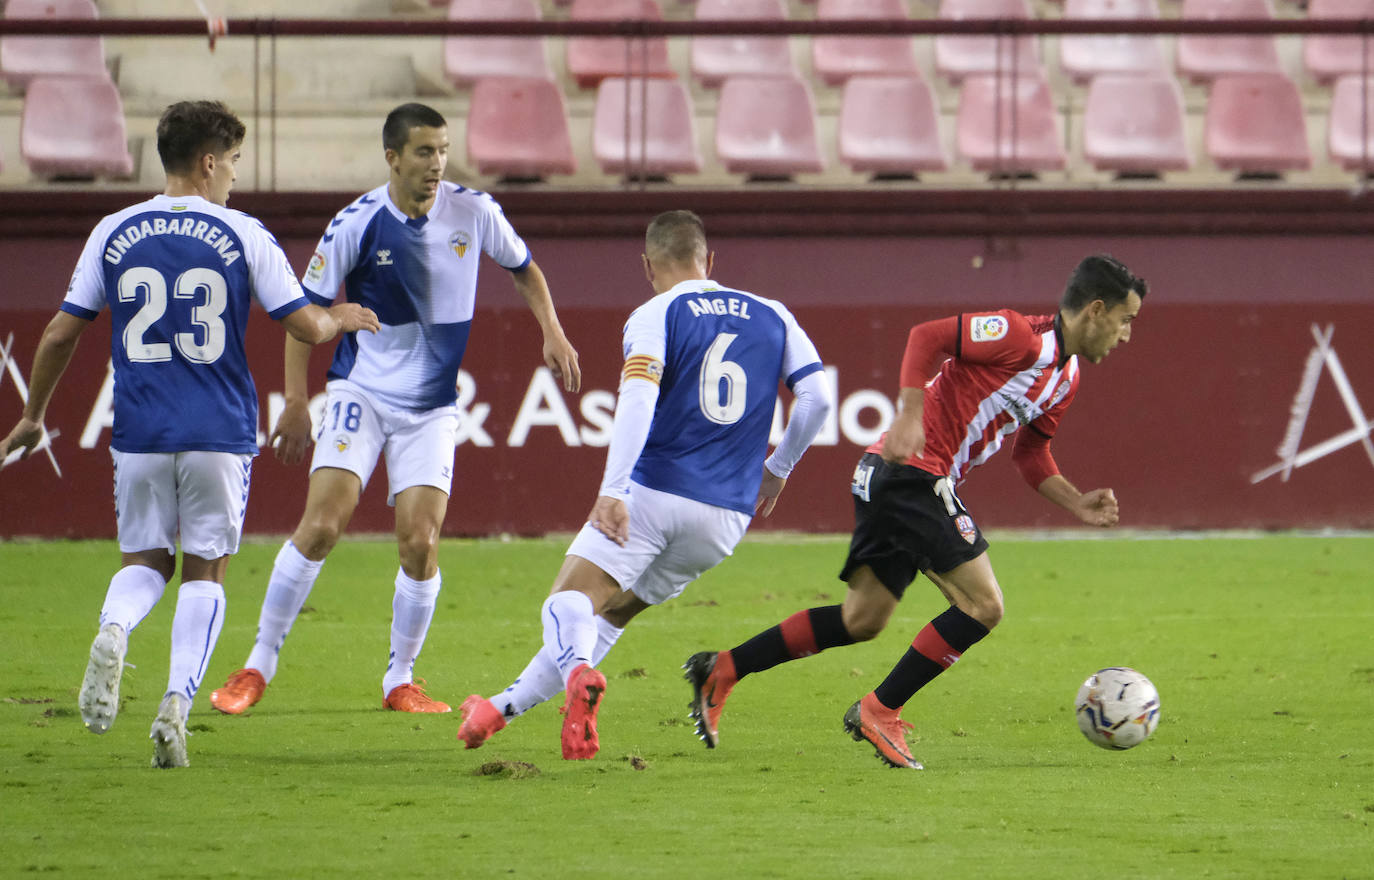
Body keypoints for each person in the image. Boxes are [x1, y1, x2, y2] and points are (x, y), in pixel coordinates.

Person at [0, 100, 380, 768]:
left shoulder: (113, 230)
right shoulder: (241, 233)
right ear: (208, 162)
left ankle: (114, 628)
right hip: (219, 434)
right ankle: (175, 708)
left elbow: (62, 330)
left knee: (144, 562)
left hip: (140, 430)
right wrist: (340, 316)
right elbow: (303, 326)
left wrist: (33, 415)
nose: (233, 175)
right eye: (231, 161)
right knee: (205, 573)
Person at [684, 254, 1146, 769]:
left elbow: (1031, 456)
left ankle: (723, 668)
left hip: (894, 477)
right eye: (1126, 320)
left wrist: (1077, 501)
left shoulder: (1066, 378)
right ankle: (879, 710)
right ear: (1096, 311)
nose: (1127, 334)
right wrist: (907, 417)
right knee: (984, 605)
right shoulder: (1020, 337)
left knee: (861, 620)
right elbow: (926, 337)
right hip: (911, 472)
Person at [208, 102, 581, 717]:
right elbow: (303, 317)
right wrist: (298, 402)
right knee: (323, 526)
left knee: (420, 542)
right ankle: (256, 665)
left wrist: (553, 330)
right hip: (361, 391)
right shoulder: (355, 223)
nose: (437, 164)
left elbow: (524, 268)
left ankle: (399, 681)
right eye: (423, 153)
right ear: (392, 157)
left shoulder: (475, 211)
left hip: (431, 407)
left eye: (442, 151)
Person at [454, 210, 833, 759]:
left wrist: (614, 488)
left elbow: (638, 399)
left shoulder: (657, 311)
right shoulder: (774, 314)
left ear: (648, 265)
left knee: (568, 601)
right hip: (725, 518)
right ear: (710, 260)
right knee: (610, 612)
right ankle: (498, 709)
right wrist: (777, 472)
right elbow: (818, 399)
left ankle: (579, 676)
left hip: (654, 493)